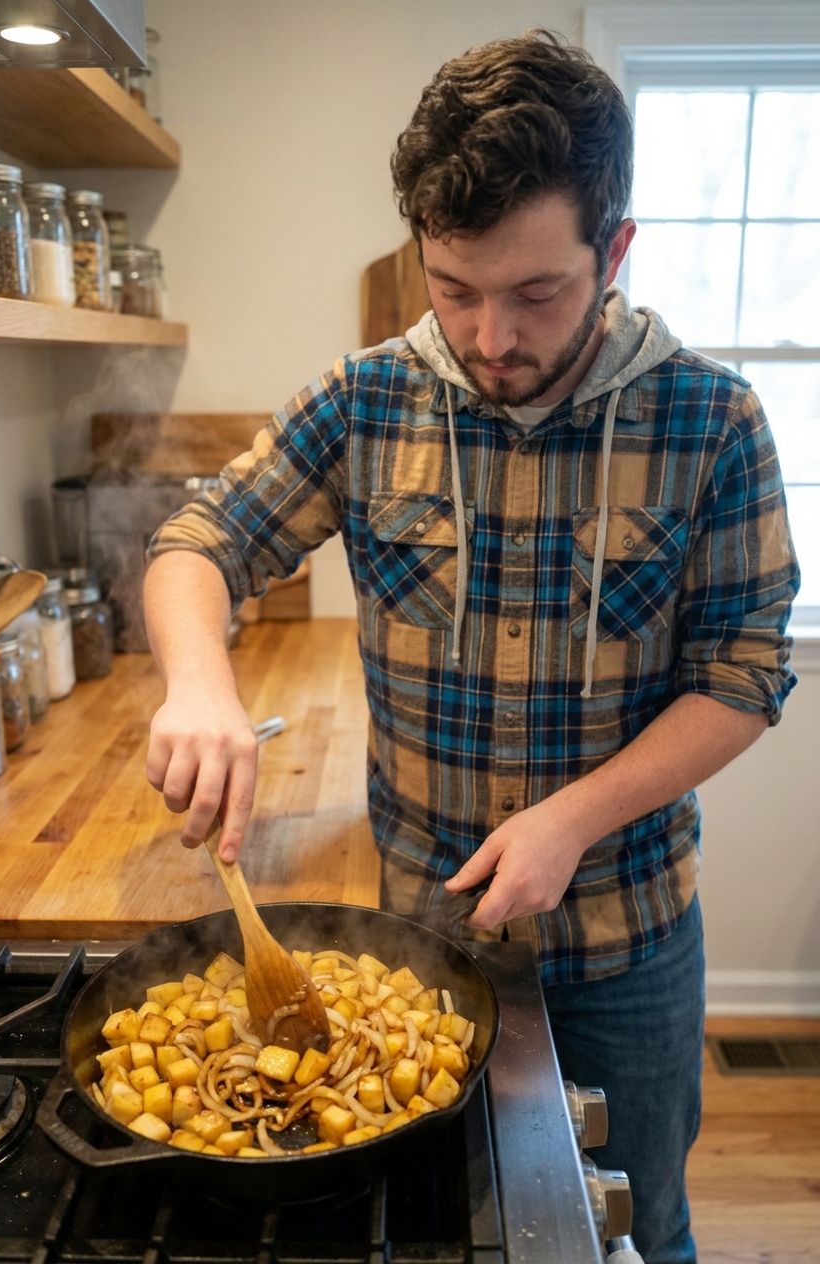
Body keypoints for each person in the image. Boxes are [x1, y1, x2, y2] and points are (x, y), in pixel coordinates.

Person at [143, 30, 799, 1263]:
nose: (488, 335)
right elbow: (199, 541)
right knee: (438, 1232)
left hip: (626, 941)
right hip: (418, 942)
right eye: (452, 286)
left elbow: (744, 674)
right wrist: (198, 683)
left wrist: (572, 818)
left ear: (612, 252)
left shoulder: (712, 420)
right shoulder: (363, 400)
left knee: (637, 1225)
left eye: (536, 292)